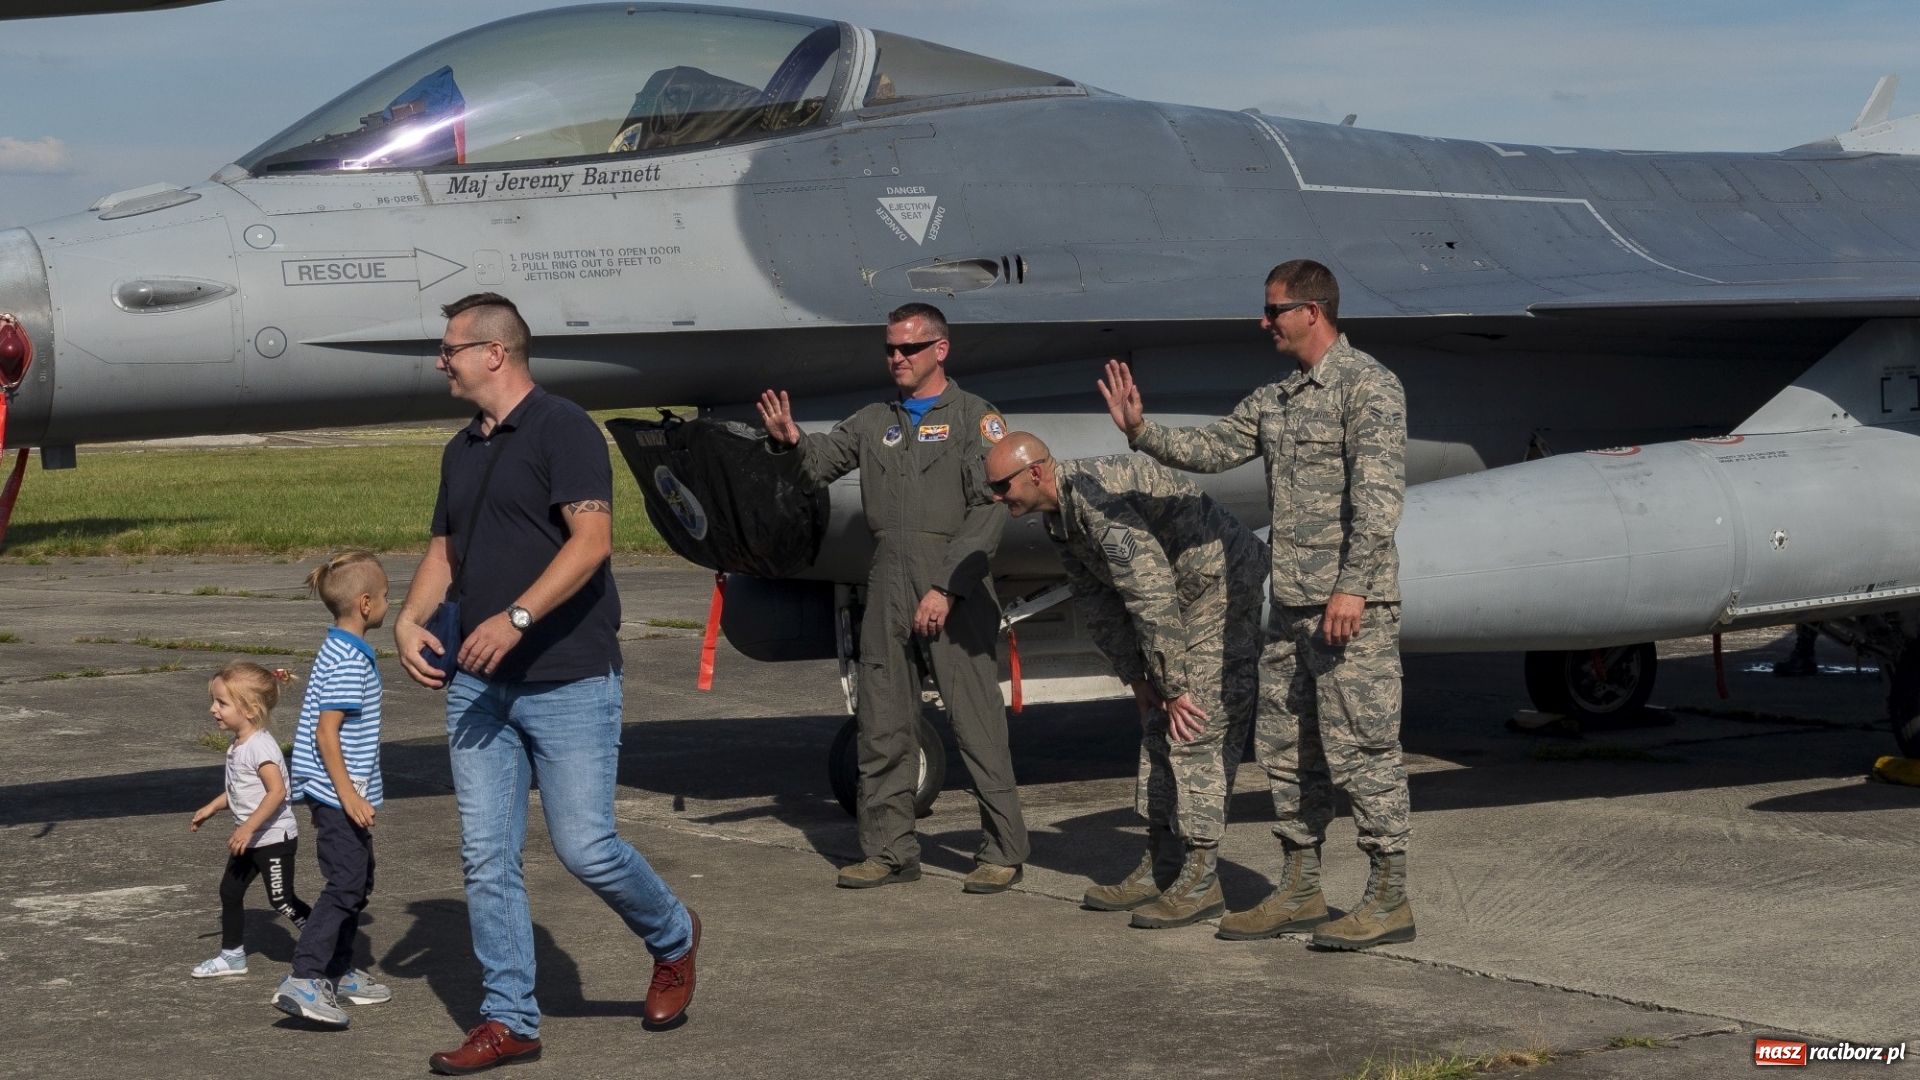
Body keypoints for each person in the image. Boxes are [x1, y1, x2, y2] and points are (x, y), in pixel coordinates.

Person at [395, 293, 697, 1074]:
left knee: (586, 847)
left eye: (451, 347)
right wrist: (408, 620)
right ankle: (509, 1020)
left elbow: (591, 542)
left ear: (494, 352)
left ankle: (672, 937)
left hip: (566, 677)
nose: (441, 359)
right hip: (477, 684)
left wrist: (517, 618)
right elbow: (444, 551)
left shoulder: (564, 427)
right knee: (485, 857)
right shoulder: (461, 448)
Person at [1100, 259, 1415, 950]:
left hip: (1348, 610)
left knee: (1362, 751)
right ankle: (1300, 889)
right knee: (1289, 752)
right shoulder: (1278, 398)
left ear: (1313, 310)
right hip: (1291, 611)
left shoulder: (1369, 388)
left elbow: (1379, 500)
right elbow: (1218, 444)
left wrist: (1353, 585)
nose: (1263, 321)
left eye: (1273, 310)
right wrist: (1142, 430)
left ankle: (1388, 897)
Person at [757, 302, 1030, 892]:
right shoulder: (874, 418)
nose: (897, 358)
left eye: (909, 348)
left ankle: (1004, 850)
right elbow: (819, 466)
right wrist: (789, 441)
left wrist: (945, 587)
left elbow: (990, 512)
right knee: (882, 719)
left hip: (952, 579)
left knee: (976, 720)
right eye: (890, 348)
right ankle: (889, 850)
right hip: (886, 577)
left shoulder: (974, 420)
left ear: (940, 349)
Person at [985, 433, 1266, 930]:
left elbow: (1148, 590)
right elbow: (1098, 601)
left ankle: (1202, 880)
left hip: (1219, 583)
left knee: (1192, 725)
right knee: (1159, 721)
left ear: (1034, 472)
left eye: (1002, 485)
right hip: (1180, 591)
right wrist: (1139, 680)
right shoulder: (1060, 517)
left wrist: (1175, 685)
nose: (996, 496)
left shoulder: (1097, 501)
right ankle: (1162, 863)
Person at [275, 551, 394, 1026]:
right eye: (386, 595)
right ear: (365, 603)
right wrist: (345, 796)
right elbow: (327, 733)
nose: (391, 602)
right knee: (344, 884)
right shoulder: (349, 661)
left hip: (337, 791)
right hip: (340, 793)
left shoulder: (340, 649)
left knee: (358, 881)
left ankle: (338, 970)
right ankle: (305, 977)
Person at [188, 661, 310, 978]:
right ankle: (232, 956)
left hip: (272, 840)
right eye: (214, 701)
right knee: (230, 892)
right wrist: (213, 807)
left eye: (222, 703)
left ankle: (326, 945)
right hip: (251, 838)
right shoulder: (239, 744)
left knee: (282, 901)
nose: (214, 709)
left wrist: (247, 827)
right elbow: (240, 790)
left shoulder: (261, 748)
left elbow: (276, 792)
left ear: (251, 710)